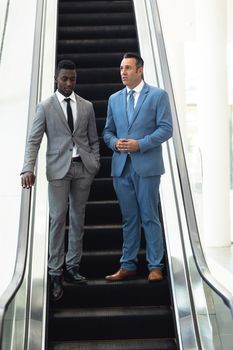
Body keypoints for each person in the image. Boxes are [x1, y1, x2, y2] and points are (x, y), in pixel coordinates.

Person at [21, 60, 100, 300]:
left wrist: (94, 163)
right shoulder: (45, 106)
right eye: (64, 78)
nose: (68, 83)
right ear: (56, 77)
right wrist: (27, 168)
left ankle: (73, 266)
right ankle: (55, 271)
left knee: (78, 217)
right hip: (58, 170)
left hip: (83, 168)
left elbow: (93, 139)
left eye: (72, 79)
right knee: (57, 219)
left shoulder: (86, 106)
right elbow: (33, 140)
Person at [103, 52, 173, 282]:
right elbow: (107, 131)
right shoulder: (114, 99)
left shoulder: (157, 96)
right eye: (121, 68)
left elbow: (166, 129)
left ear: (140, 70)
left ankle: (155, 266)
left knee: (149, 216)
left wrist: (139, 145)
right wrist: (114, 143)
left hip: (147, 167)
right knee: (129, 218)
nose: (123, 72)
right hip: (121, 167)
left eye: (128, 68)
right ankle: (128, 265)